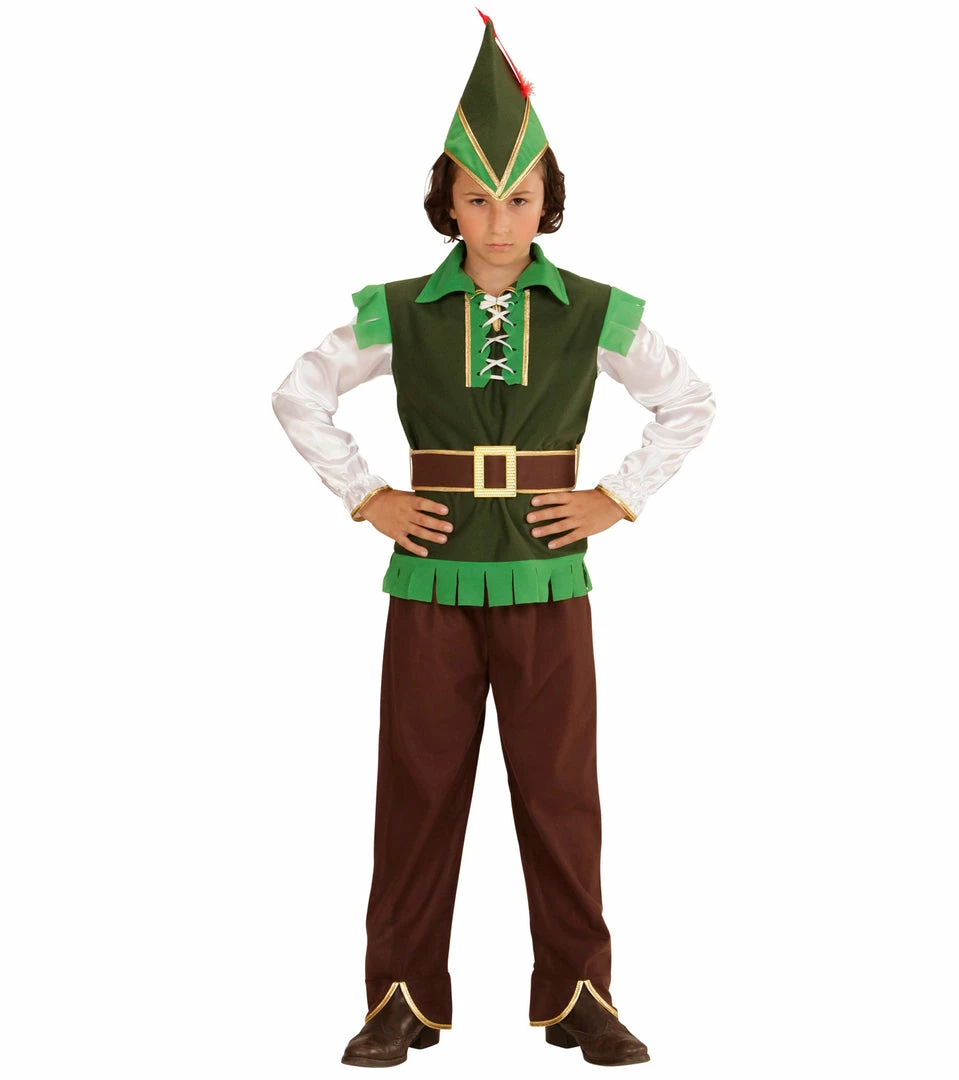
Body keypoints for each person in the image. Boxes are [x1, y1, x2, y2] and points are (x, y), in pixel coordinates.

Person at [271, 11, 716, 1069]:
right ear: (448, 203)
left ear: (547, 200)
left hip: (548, 579)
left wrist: (616, 498)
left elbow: (690, 402)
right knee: (417, 787)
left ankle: (579, 993)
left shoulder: (593, 311)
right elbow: (297, 395)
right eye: (478, 198)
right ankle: (400, 996)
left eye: (519, 198)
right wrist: (367, 496)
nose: (499, 219)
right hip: (429, 578)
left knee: (559, 791)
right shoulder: (397, 310)